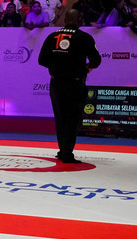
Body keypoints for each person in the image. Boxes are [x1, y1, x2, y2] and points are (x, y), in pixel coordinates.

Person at [38, 9, 101, 164]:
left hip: (56, 82)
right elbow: (96, 60)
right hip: (74, 82)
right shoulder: (84, 37)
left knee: (60, 118)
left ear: (65, 19)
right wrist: (86, 67)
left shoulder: (52, 36)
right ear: (79, 19)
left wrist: (57, 65)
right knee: (72, 118)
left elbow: (42, 60)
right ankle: (67, 152)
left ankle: (62, 150)